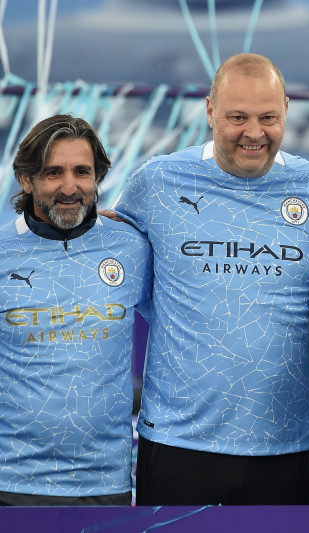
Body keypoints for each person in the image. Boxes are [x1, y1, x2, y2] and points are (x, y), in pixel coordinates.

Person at [110, 53, 309, 505]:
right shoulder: (157, 183)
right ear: (209, 111)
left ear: (286, 113)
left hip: (288, 444)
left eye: (268, 118)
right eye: (237, 118)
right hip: (178, 442)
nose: (254, 133)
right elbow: (111, 269)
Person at [0, 114, 152, 505]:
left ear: (97, 177)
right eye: (53, 173)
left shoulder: (132, 247)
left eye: (82, 172)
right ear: (26, 179)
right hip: (12, 482)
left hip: (106, 484)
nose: (70, 188)